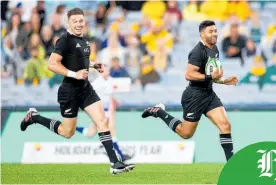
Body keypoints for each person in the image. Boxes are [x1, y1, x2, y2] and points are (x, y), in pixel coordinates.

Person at [20, 8, 134, 174]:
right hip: (69, 91)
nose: (79, 24)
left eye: (81, 20)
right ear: (69, 22)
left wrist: (94, 65)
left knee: (102, 121)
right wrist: (75, 74)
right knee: (67, 132)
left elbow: (78, 61)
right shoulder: (64, 40)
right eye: (76, 21)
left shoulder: (84, 41)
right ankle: (35, 117)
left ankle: (115, 163)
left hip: (85, 89)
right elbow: (52, 64)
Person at [142, 20, 238, 161]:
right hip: (194, 95)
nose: (215, 34)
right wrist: (212, 76)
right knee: (185, 133)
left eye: (215, 31)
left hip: (208, 93)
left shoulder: (214, 49)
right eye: (211, 31)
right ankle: (159, 112)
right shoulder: (197, 52)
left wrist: (223, 81)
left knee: (225, 124)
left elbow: (210, 75)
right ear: (202, 34)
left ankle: (231, 163)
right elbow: (189, 74)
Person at [76, 65, 132, 162]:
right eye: (107, 69)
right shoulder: (96, 84)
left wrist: (114, 100)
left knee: (90, 133)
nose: (109, 70)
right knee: (111, 129)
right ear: (101, 71)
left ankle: (74, 128)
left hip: (105, 110)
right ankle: (120, 155)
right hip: (98, 110)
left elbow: (110, 93)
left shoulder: (109, 80)